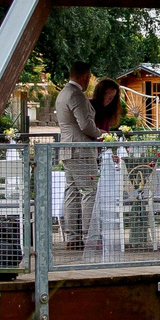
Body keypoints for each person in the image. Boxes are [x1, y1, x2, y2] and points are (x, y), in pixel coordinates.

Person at [56, 62, 100, 250]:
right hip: (81, 150)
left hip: (67, 148)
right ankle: (90, 235)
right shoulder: (76, 95)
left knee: (72, 192)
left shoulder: (62, 93)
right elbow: (85, 124)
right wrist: (100, 133)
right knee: (89, 191)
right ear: (85, 76)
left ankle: (73, 236)